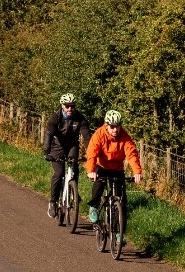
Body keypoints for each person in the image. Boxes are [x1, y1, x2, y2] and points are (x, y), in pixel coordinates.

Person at [85, 110, 142, 244]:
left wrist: (137, 172)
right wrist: (91, 170)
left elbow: (132, 154)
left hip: (117, 168)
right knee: (98, 185)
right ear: (106, 125)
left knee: (121, 202)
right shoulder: (99, 134)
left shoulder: (125, 137)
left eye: (118, 126)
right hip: (102, 166)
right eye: (112, 127)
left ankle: (118, 233)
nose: (115, 129)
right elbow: (92, 153)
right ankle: (94, 206)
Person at [43, 93, 92, 218]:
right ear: (62, 106)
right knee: (59, 174)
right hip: (57, 146)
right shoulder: (55, 117)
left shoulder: (79, 118)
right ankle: (53, 202)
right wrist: (46, 152)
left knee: (74, 168)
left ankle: (72, 191)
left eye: (72, 106)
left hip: (72, 146)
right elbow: (48, 134)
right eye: (67, 106)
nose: (70, 109)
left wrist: (92, 154)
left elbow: (87, 137)